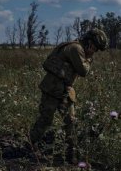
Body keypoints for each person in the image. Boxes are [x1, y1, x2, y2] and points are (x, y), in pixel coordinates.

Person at [29, 28, 109, 163]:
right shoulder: (75, 49)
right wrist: (89, 58)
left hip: (64, 90)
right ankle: (30, 147)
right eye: (95, 48)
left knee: (70, 122)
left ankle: (72, 155)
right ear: (89, 42)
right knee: (45, 120)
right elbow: (83, 71)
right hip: (53, 89)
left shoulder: (78, 48)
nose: (94, 51)